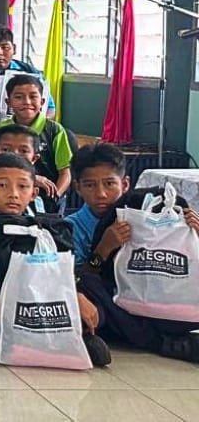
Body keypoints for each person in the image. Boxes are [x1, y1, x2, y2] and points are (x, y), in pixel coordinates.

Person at [0, 154, 110, 364]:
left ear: (34, 193)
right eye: (2, 186)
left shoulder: (48, 229)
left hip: (36, 304)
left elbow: (61, 277)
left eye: (22, 187)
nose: (13, 194)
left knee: (97, 310)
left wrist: (76, 296)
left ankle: (3, 339)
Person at [70, 144, 199, 362]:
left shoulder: (151, 214)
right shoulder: (72, 227)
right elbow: (75, 280)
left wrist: (193, 234)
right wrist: (103, 249)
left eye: (110, 184)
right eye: (90, 185)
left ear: (125, 184)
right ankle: (164, 342)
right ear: (77, 188)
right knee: (89, 292)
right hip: (112, 301)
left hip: (157, 297)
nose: (101, 194)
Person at [0, 75, 76, 206]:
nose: (26, 102)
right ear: (8, 102)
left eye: (33, 97)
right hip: (10, 195)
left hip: (47, 197)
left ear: (42, 102)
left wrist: (55, 197)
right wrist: (32, 179)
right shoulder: (2, 128)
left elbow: (65, 173)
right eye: (18, 97)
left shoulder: (54, 130)